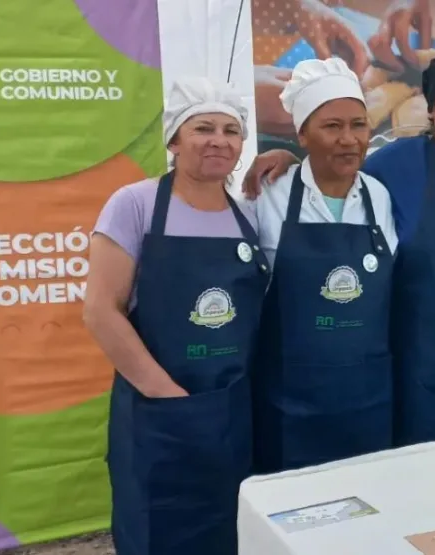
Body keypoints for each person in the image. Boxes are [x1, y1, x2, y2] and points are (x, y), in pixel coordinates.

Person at [242, 48, 435, 446]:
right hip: (431, 373)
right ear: (433, 106)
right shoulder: (396, 163)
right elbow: (338, 169)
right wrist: (292, 158)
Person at [83, 78, 269, 555]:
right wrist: (168, 397)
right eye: (202, 127)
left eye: (231, 130)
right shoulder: (136, 204)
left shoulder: (248, 214)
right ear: (173, 140)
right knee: (157, 533)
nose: (218, 140)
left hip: (229, 413)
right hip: (158, 418)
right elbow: (102, 311)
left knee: (227, 530)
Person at [251, 58, 398, 473]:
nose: (348, 139)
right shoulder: (268, 194)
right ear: (302, 134)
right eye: (332, 126)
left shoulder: (380, 197)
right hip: (290, 403)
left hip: (368, 400)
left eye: (358, 125)